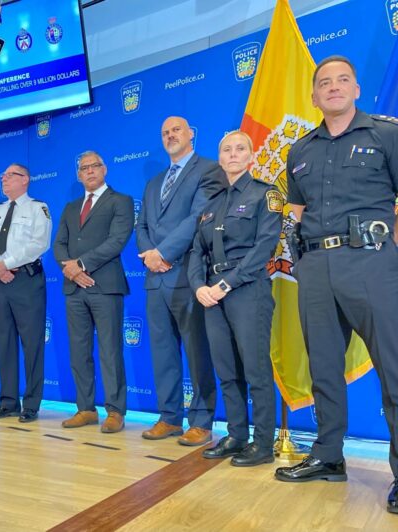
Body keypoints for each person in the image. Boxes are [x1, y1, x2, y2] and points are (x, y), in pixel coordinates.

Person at [274, 56, 398, 513]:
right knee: (324, 366)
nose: (333, 87)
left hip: (372, 263)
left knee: (394, 368)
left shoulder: (386, 133)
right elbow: (297, 210)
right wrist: (302, 263)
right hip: (316, 268)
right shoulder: (300, 149)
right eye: (324, 83)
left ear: (357, 88)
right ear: (313, 96)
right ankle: (328, 456)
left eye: (342, 80)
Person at [188, 131, 281, 466]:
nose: (232, 154)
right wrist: (199, 286)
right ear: (220, 158)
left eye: (240, 148)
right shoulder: (210, 206)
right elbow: (197, 251)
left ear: (251, 156)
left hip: (247, 290)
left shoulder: (265, 195)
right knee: (226, 370)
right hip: (211, 295)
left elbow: (264, 246)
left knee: (255, 370)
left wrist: (225, 284)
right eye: (226, 149)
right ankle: (237, 434)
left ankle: (264, 444)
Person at [136, 116, 221, 446]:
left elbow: (198, 218)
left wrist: (165, 253)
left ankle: (201, 419)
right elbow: (140, 226)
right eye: (165, 132)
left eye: (176, 130)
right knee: (162, 353)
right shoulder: (153, 182)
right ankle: (169, 418)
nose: (170, 135)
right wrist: (150, 255)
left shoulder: (209, 170)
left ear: (191, 134)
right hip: (155, 279)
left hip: (188, 274)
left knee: (198, 351)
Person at [53, 151, 135, 433]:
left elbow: (117, 241)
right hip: (74, 288)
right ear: (78, 175)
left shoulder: (121, 201)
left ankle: (115, 411)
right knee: (79, 351)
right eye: (84, 168)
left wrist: (82, 265)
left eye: (95, 166)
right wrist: (73, 271)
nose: (89, 171)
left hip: (106, 286)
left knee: (110, 351)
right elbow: (59, 245)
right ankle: (85, 409)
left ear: (105, 169)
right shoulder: (70, 207)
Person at [0, 163, 52, 423]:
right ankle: (8, 402)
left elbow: (39, 243)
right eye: (2, 175)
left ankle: (31, 404)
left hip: (26, 281)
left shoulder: (37, 208)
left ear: (25, 180)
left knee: (32, 345)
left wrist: (5, 265)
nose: (4, 179)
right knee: (4, 344)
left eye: (10, 175)